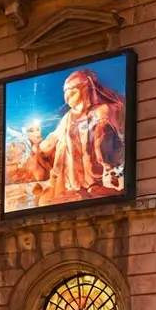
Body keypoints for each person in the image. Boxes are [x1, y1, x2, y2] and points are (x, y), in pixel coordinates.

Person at [32, 67, 126, 206]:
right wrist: (37, 146)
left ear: (85, 89)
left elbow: (110, 144)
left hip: (100, 176)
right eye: (66, 94)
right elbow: (52, 139)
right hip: (73, 180)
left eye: (72, 92)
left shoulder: (103, 111)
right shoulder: (68, 118)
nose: (68, 98)